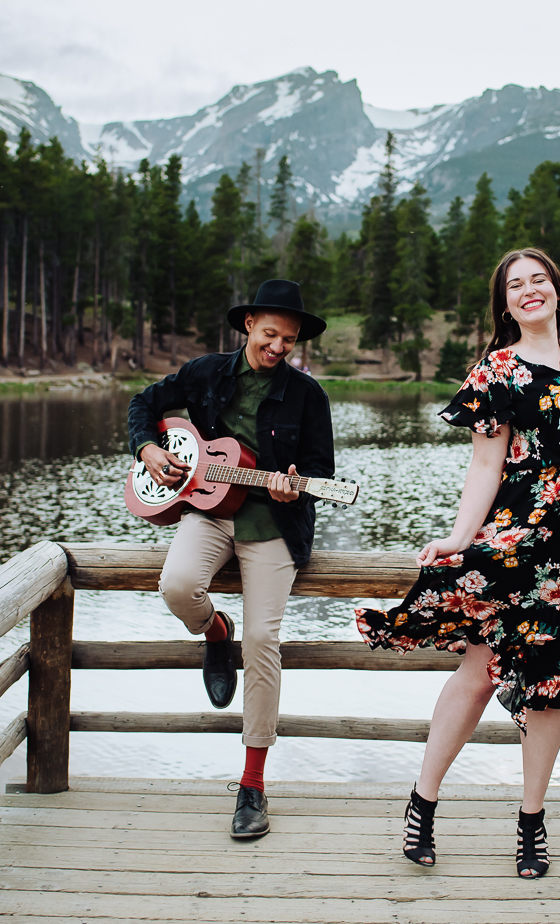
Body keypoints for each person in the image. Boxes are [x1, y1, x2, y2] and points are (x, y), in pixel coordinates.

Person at [355, 163, 560, 879]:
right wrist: (458, 536)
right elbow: (486, 468)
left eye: (537, 277)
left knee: (553, 682)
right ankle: (423, 801)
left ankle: (532, 822)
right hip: (523, 536)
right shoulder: (498, 372)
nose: (529, 289)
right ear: (506, 304)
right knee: (482, 672)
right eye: (515, 284)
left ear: (556, 289)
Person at [127, 280, 334, 839]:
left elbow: (322, 475)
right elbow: (143, 403)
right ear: (248, 326)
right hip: (208, 513)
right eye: (271, 335)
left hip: (271, 527)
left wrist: (299, 487)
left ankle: (252, 784)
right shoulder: (205, 373)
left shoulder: (309, 398)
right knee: (176, 585)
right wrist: (148, 448)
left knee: (264, 641)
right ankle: (216, 632)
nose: (279, 347)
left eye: (289, 340)